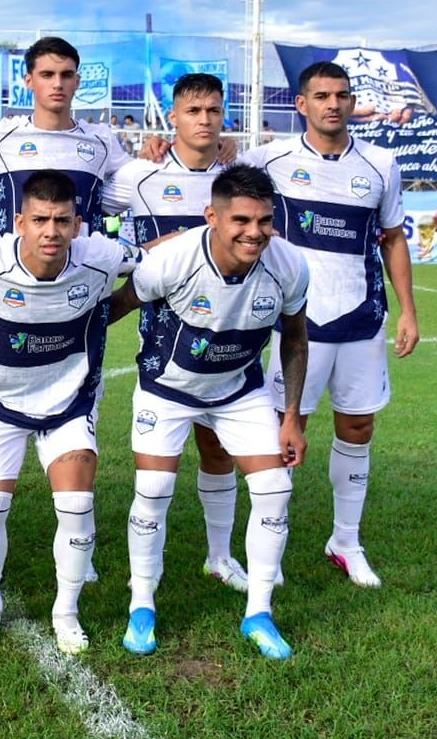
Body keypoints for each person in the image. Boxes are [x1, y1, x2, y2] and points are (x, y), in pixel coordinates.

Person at [116, 164, 310, 659]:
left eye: (264, 221)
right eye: (241, 220)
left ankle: (260, 613)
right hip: (167, 389)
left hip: (238, 391)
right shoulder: (174, 259)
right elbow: (116, 306)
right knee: (154, 489)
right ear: (212, 217)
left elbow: (296, 336)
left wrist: (290, 416)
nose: (254, 232)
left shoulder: (289, 266)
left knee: (274, 489)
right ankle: (143, 605)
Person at [0, 170, 142, 655]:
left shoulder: (100, 257)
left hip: (67, 406)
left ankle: (67, 613)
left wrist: (215, 233)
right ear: (19, 221)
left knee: (77, 507)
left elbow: (160, 257)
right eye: (39, 220)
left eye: (61, 220)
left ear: (78, 223)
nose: (51, 231)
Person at [243, 60, 419, 588]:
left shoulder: (381, 164)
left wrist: (408, 309)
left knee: (358, 426)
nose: (333, 104)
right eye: (321, 95)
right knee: (282, 433)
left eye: (341, 95)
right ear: (302, 104)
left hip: (361, 317)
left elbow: (392, 238)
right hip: (296, 322)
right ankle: (269, 551)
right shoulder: (271, 158)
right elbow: (216, 166)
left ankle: (345, 540)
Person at [100, 73, 255, 593]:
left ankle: (218, 555)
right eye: (193, 111)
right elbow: (91, 221)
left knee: (218, 451)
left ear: (223, 117)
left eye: (213, 111)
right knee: (158, 471)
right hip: (164, 341)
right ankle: (144, 579)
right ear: (174, 117)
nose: (204, 120)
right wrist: (138, 256)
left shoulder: (239, 174)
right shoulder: (139, 176)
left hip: (231, 334)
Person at [0, 37, 128, 237]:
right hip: (15, 266)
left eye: (66, 75)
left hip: (83, 265)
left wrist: (99, 204)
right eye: (47, 75)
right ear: (29, 81)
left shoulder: (102, 139)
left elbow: (139, 181)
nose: (57, 84)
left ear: (77, 81)